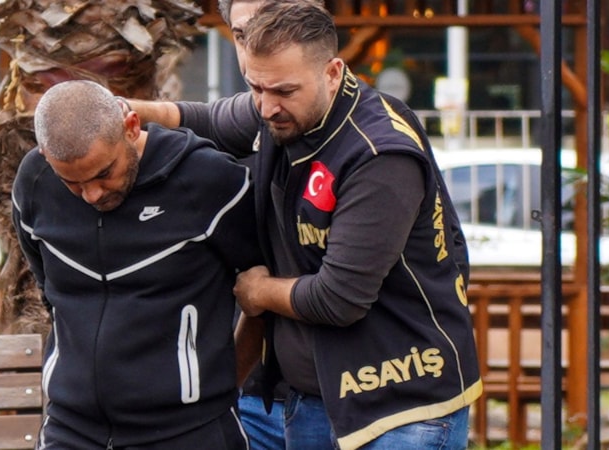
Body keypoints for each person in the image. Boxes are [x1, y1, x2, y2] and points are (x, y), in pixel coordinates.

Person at [132, 2, 482, 449]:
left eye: (282, 91)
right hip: (315, 398)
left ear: (332, 73)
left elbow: (339, 299)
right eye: (255, 88)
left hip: (401, 407)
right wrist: (124, 111)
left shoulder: (379, 153)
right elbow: (206, 120)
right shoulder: (284, 105)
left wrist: (259, 292)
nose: (266, 107)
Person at [12, 80, 263, 450]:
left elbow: (264, 291)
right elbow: (52, 293)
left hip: (190, 431)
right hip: (71, 429)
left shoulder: (208, 180)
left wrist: (218, 385)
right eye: (72, 183)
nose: (92, 195)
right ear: (45, 156)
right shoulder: (35, 184)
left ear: (131, 127)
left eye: (103, 173)